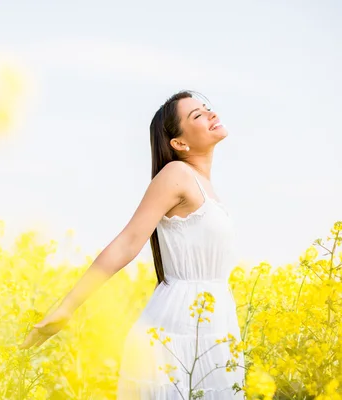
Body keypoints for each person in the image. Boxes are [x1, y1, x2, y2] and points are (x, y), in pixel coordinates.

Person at [19, 90, 245, 399]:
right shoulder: (177, 173)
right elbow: (127, 243)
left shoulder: (206, 186)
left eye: (207, 108)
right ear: (179, 143)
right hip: (178, 327)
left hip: (214, 321)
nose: (210, 114)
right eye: (197, 115)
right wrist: (67, 307)